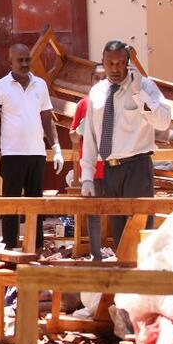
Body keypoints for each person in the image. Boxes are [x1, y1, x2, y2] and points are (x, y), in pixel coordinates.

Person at [80, 40, 171, 244]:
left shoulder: (145, 85)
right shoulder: (97, 92)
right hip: (111, 171)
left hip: (137, 169)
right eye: (109, 63)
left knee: (140, 234)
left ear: (127, 62)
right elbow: (91, 137)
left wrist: (139, 94)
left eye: (120, 63)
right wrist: (87, 175)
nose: (115, 68)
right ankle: (125, 273)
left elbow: (164, 122)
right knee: (120, 237)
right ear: (102, 62)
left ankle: (143, 275)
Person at [0, 44, 64, 250]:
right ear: (9, 61)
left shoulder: (40, 85)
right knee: (11, 203)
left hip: (36, 153)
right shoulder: (0, 87)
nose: (24, 64)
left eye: (27, 59)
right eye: (19, 60)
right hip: (12, 154)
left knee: (35, 203)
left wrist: (55, 147)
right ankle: (9, 246)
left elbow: (47, 119)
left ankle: (35, 246)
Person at [70, 64, 107, 259]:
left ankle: (124, 253)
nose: (100, 82)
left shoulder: (116, 103)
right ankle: (96, 255)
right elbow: (74, 138)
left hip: (114, 169)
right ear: (90, 81)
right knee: (93, 214)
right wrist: (80, 130)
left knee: (121, 211)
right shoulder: (83, 104)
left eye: (104, 78)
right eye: (97, 78)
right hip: (91, 170)